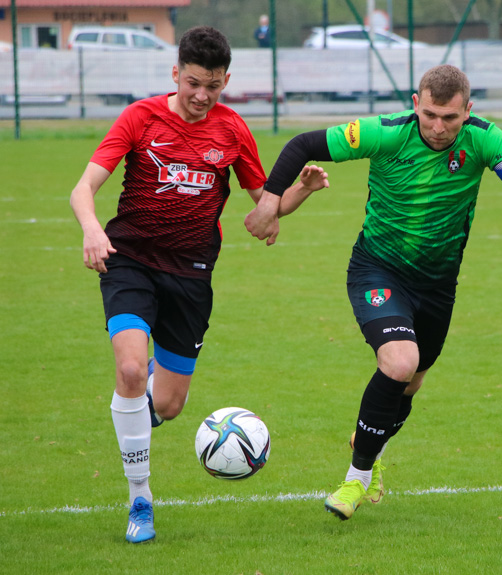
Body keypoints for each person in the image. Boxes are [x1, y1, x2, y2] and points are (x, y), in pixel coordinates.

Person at [244, 64, 502, 521]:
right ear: (415, 104)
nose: (439, 127)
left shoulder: (486, 140)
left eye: (450, 117)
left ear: (468, 111)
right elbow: (303, 144)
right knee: (400, 361)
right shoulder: (385, 133)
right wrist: (270, 202)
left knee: (411, 381)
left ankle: (368, 443)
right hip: (377, 269)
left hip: (438, 285)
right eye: (430, 114)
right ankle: (356, 479)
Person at [69, 26, 326, 543]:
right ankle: (140, 497)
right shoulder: (140, 118)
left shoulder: (232, 131)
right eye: (192, 83)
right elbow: (84, 187)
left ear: (225, 79)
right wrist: (93, 230)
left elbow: (263, 211)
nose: (202, 95)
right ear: (175, 74)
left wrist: (300, 192)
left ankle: (134, 415)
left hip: (191, 274)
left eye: (213, 85)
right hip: (130, 260)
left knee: (167, 405)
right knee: (130, 368)